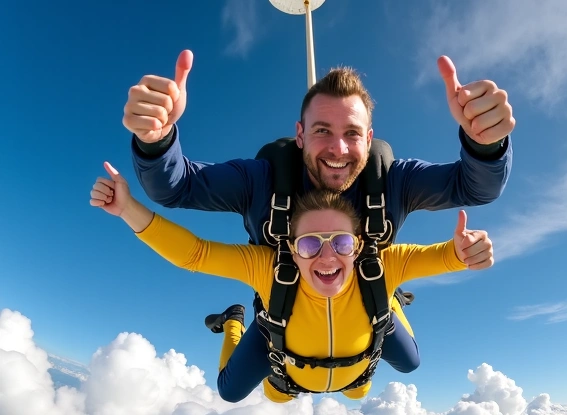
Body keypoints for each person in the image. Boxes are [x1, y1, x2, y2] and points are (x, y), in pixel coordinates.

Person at [121, 49, 511, 376]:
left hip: (364, 296)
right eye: (323, 130)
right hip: (284, 306)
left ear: (369, 138)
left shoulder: (392, 181)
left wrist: (485, 146)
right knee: (232, 390)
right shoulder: (262, 181)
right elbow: (178, 186)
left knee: (409, 363)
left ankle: (389, 294)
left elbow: (475, 186)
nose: (338, 149)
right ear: (300, 135)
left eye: (352, 133)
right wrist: (157, 142)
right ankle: (234, 321)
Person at [89, 161, 489, 403]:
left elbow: (448, 255)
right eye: (310, 243)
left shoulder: (382, 263)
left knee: (407, 365)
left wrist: (466, 251)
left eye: (342, 242)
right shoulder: (268, 268)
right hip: (285, 357)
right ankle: (233, 319)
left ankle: (390, 303)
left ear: (360, 244)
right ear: (292, 249)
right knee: (243, 392)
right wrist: (128, 209)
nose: (327, 256)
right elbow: (193, 253)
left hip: (360, 357)